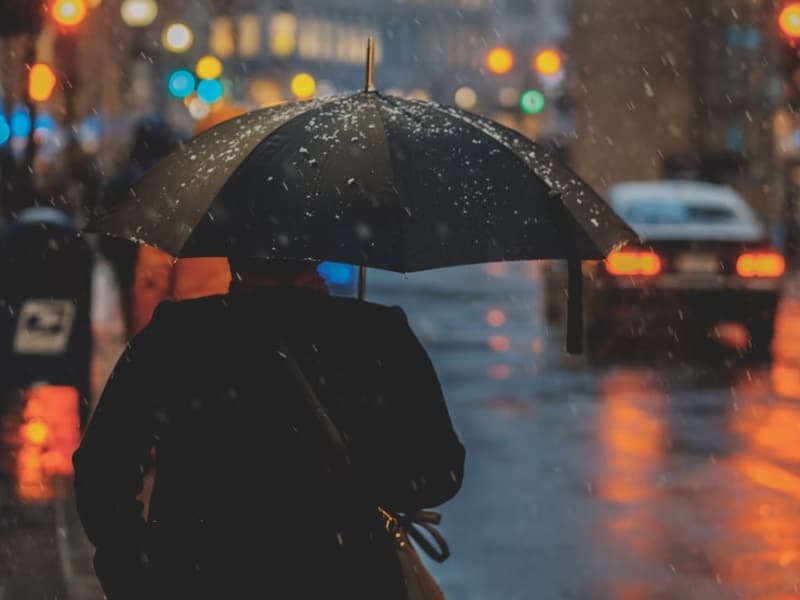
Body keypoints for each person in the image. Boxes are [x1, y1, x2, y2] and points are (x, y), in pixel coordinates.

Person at [72, 257, 466, 599]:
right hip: (347, 579)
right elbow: (439, 473)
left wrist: (135, 573)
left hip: (198, 580)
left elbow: (101, 469)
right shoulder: (377, 336)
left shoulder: (177, 336)